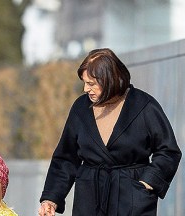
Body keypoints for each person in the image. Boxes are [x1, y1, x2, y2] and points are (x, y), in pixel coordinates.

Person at [38, 48, 182, 216]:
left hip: (133, 199)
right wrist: (51, 199)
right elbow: (66, 157)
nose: (85, 89)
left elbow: (168, 151)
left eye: (91, 84)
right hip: (89, 199)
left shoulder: (144, 106)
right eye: (84, 82)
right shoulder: (80, 108)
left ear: (109, 80)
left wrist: (147, 183)